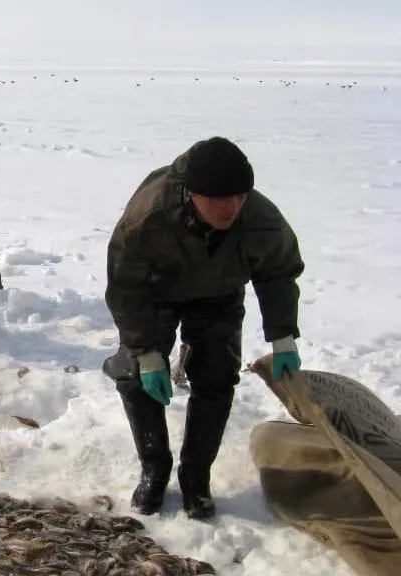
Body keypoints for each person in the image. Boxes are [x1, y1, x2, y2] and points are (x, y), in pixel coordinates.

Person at [101, 136, 304, 519]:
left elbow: (277, 274)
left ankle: (196, 476)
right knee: (135, 376)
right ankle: (154, 469)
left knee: (216, 378)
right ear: (192, 194)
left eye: (240, 197)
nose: (233, 207)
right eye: (221, 199)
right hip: (157, 289)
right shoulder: (148, 217)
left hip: (219, 293)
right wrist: (146, 353)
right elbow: (126, 288)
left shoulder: (261, 220)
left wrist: (283, 335)